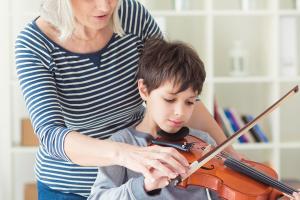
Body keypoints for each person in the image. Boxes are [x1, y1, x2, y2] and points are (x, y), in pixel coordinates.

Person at [15, 0, 239, 199]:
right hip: (70, 187)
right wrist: (125, 153)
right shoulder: (34, 44)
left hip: (136, 179)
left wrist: (232, 157)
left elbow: (176, 86)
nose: (105, 7)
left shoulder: (133, 15)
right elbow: (51, 134)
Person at [87, 38, 300, 200]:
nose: (180, 112)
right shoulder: (123, 143)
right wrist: (144, 186)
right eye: (170, 99)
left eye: (190, 102)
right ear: (144, 90)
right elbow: (98, 197)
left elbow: (225, 193)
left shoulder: (202, 142)